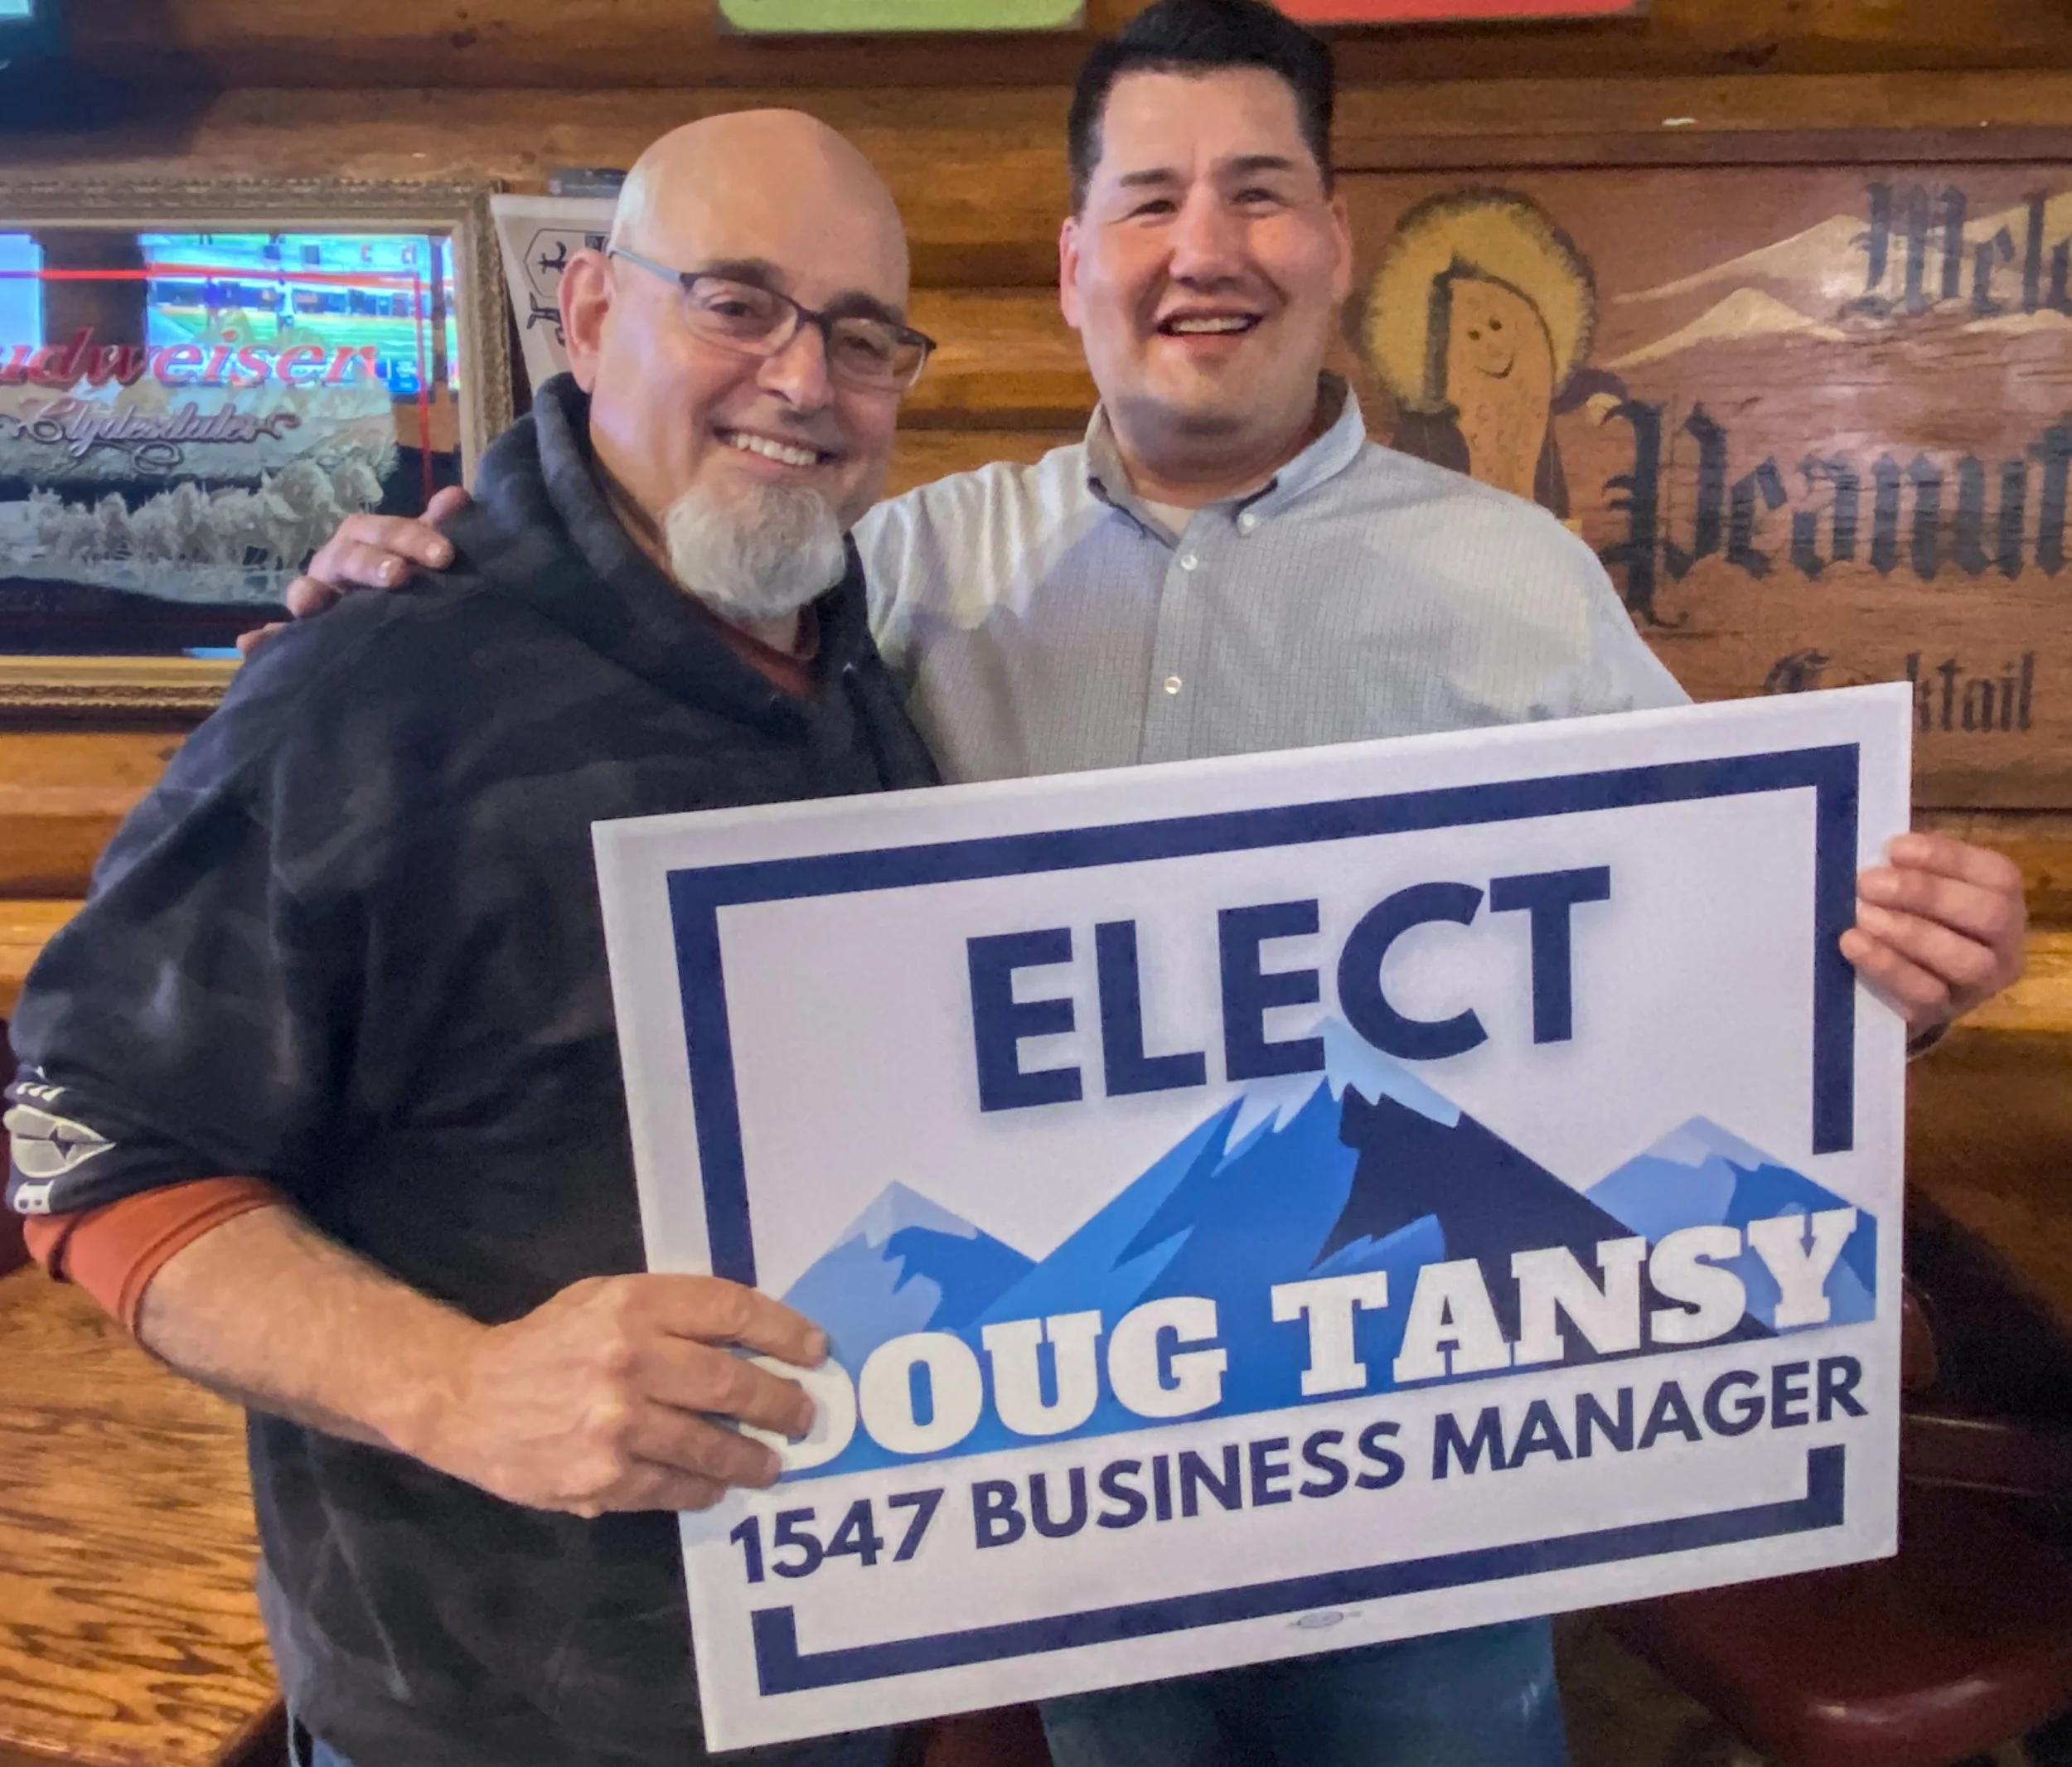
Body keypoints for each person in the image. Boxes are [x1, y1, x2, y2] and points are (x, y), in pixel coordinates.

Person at [195, 1, 2036, 1762]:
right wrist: (444, 565)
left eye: (1255, 190)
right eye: (1146, 199)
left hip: (1423, 1439)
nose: (1202, 244)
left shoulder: (1519, 583)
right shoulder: (891, 573)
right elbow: (656, 620)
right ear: (1073, 262)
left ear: (1330, 243)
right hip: (1068, 1459)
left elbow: (1706, 937)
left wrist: (1896, 972)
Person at [4, 112, 942, 1767]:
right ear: (584, 315)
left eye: (860, 334)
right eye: (735, 303)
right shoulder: (367, 686)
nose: (802, 379)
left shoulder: (862, 671)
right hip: (486, 1720)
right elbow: (79, 1139)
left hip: (826, 1673)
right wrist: (459, 1387)